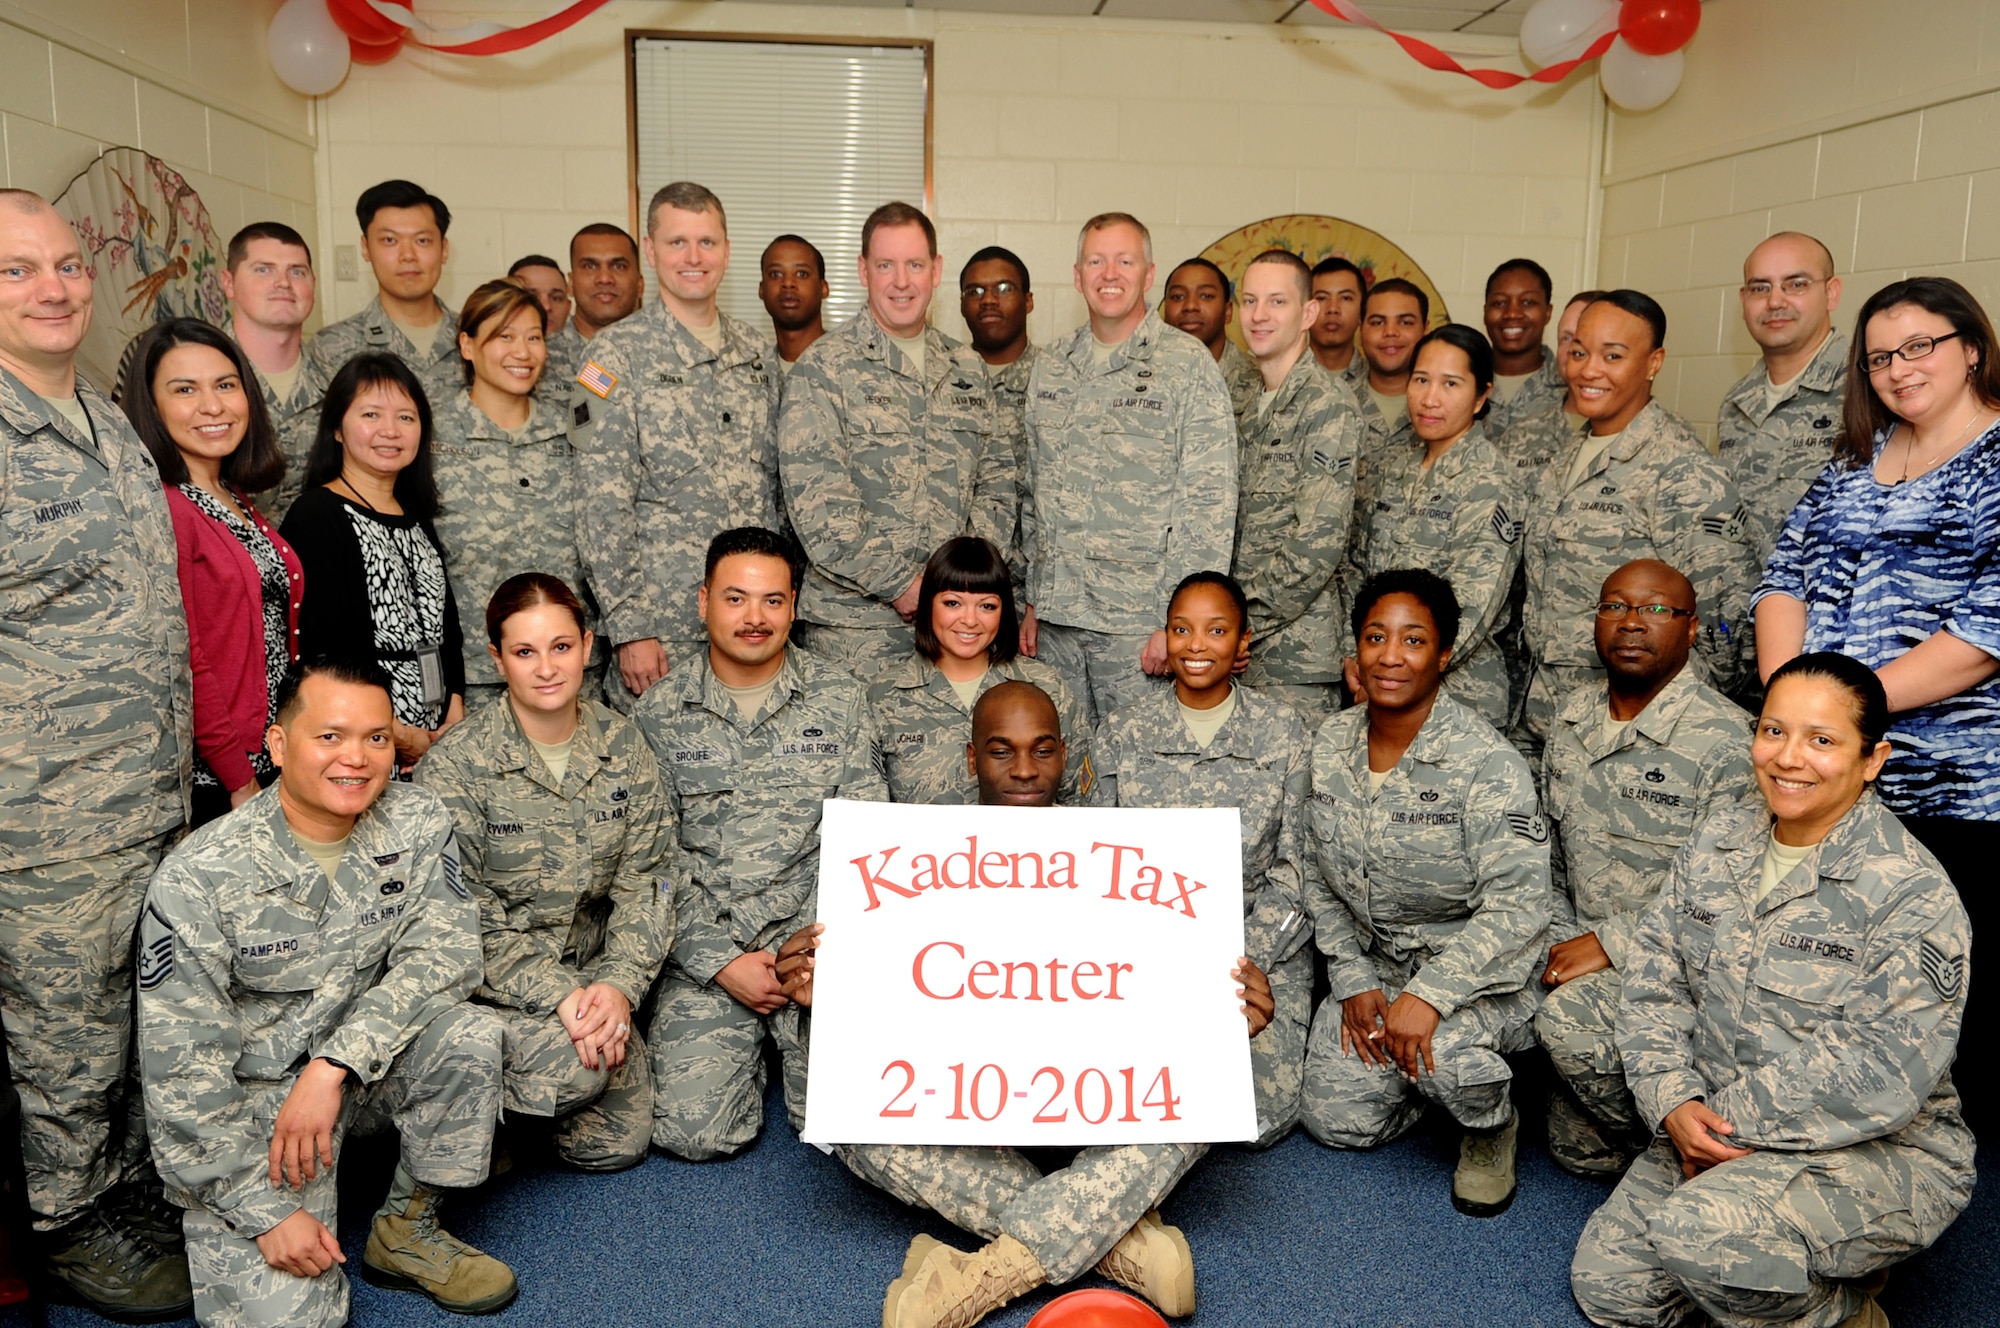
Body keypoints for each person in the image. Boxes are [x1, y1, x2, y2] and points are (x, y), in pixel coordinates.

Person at [782, 679, 1270, 1327]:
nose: (1023, 770)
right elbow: (881, 1006)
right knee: (841, 1104)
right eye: (1000, 751)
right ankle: (1118, 1245)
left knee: (1209, 1083)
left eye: (1042, 750)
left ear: (1064, 755)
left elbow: (1162, 993)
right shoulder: (909, 849)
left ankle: (983, 1277)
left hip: (1092, 1105)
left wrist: (1229, 1016)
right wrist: (825, 993)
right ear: (971, 758)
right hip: (966, 1102)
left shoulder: (1123, 851)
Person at [1570, 653, 1974, 1328]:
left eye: (1822, 740)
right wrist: (1673, 1101)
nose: (1789, 758)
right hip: (1713, 1124)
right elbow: (1655, 980)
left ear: (1872, 759)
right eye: (1773, 731)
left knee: (1702, 1239)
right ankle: (1786, 1263)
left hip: (1871, 1149)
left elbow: (1878, 1071)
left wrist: (1717, 1125)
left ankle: (1846, 1308)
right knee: (1612, 1293)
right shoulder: (1718, 839)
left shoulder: (1911, 893)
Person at [139, 658, 517, 1326]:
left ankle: (406, 1228)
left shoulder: (416, 819)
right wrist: (263, 1213)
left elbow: (448, 956)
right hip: (257, 1111)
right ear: (279, 745)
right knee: (296, 1321)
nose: (357, 758)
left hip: (360, 1072)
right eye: (330, 737)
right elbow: (183, 1077)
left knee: (470, 1035)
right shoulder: (200, 875)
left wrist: (334, 1064)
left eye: (377, 738)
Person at [0, 188, 193, 1318]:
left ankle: (125, 1189)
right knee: (62, 1027)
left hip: (144, 791)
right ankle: (69, 1219)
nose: (54, 288)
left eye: (68, 264)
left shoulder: (106, 420)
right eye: (17, 270)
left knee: (133, 1010)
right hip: (43, 808)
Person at [1754, 275, 2000, 1113]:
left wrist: (1836, 712)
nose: (1900, 369)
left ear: (1973, 348)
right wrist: (1793, 703)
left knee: (1933, 1001)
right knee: (1827, 976)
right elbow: (1783, 576)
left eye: (1920, 346)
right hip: (1829, 773)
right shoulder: (1855, 460)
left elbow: (1985, 632)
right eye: (1880, 357)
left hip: (1952, 782)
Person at [1299, 569, 1550, 1218]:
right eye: (1375, 637)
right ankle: (1422, 1083)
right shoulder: (1329, 745)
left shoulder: (1486, 763)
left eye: (1413, 640)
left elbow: (1520, 907)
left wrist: (1431, 995)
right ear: (1356, 650)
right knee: (1335, 1120)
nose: (1391, 656)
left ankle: (1490, 1123)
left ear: (1443, 656)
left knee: (1448, 1056)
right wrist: (1352, 976)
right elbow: (1314, 872)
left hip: (1480, 974)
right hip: (1381, 966)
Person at [630, 526, 885, 1159]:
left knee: (852, 1121)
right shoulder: (659, 714)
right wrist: (720, 962)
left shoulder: (841, 700)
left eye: (772, 600)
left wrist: (815, 949)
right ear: (703, 602)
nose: (755, 617)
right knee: (695, 1133)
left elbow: (864, 840)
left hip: (812, 944)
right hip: (711, 944)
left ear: (793, 606)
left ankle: (791, 1054)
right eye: (736, 598)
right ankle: (749, 1047)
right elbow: (650, 864)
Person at [416, 574, 670, 1173]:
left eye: (561, 647)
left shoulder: (623, 744)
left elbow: (651, 879)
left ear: (587, 647)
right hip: (491, 992)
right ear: (497, 658)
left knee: (615, 1144)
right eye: (525, 652)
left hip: (592, 976)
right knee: (579, 1072)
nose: (547, 668)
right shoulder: (456, 767)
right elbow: (462, 913)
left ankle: (512, 1110)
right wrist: (560, 996)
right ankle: (473, 1102)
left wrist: (618, 987)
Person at [1535, 559, 1754, 1178]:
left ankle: (1694, 1148)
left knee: (1566, 1026)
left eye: (1656, 609)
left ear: (1692, 628)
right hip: (1572, 944)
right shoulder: (1571, 718)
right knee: (1576, 1153)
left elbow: (1729, 898)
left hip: (1682, 967)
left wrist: (1609, 943)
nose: (1631, 622)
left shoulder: (1727, 742)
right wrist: (1561, 941)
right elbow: (1549, 857)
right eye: (1615, 606)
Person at [1090, 572, 1314, 1148]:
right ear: (1165, 636)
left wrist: (1240, 961)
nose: (1196, 645)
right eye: (1181, 629)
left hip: (1255, 949)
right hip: (1147, 948)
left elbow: (1298, 868)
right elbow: (1095, 860)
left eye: (1216, 631)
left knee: (1257, 1117)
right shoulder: (1121, 732)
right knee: (1121, 1090)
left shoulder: (1285, 732)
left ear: (1242, 642)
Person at [1517, 290, 1755, 764]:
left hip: (1631, 743)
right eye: (1580, 352)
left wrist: (1661, 726)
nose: (1589, 370)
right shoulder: (1562, 462)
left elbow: (1726, 632)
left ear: (1653, 363)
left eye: (1613, 356)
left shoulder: (1683, 472)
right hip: (1548, 728)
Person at [778, 202, 1015, 675]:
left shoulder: (967, 368)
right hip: (854, 631)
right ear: (863, 270)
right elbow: (818, 500)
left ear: (936, 270)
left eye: (915, 265)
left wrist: (961, 586)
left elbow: (998, 483)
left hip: (958, 629)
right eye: (886, 265)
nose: (901, 281)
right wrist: (903, 583)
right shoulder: (823, 368)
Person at [1020, 212, 1237, 724]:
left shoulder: (1186, 365)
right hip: (1056, 627)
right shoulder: (1052, 365)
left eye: (1125, 261)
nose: (1110, 274)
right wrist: (1031, 602)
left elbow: (1208, 505)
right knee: (1062, 763)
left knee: (1141, 765)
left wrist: (1179, 625)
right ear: (1078, 276)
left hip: (1139, 630)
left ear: (1149, 273)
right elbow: (1034, 493)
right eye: (1096, 262)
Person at [570, 182, 780, 709]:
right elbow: (598, 503)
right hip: (663, 635)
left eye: (707, 242)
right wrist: (631, 627)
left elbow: (778, 492)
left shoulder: (758, 355)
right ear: (650, 249)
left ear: (727, 251)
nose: (693, 258)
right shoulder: (607, 358)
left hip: (754, 628)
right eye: (677, 242)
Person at [123, 318, 302, 828]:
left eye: (225, 385)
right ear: (152, 406)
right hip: (221, 776)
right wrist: (238, 778)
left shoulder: (232, 496)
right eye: (185, 390)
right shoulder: (169, 506)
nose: (213, 406)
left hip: (270, 754)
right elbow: (186, 655)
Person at [281, 353, 465, 773]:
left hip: (438, 738)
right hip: (361, 742)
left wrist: (453, 707)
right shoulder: (316, 516)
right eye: (371, 414)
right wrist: (393, 733)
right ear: (337, 428)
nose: (390, 430)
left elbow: (445, 626)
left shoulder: (416, 516)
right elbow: (323, 652)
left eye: (406, 417)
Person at [430, 277, 595, 710]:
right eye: (505, 336)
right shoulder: (431, 438)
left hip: (570, 673)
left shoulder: (574, 434)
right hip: (475, 678)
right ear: (467, 345)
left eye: (534, 337)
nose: (522, 352)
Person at [1349, 324, 1517, 727]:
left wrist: (1390, 670)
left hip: (1457, 699)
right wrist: (1358, 656)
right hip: (1379, 684)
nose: (1429, 398)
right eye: (1421, 379)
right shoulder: (1396, 467)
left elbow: (1474, 604)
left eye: (1450, 384)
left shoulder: (1490, 480)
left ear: (1481, 396)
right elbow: (1357, 569)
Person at [1230, 248, 1360, 724]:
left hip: (1292, 660)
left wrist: (1239, 624)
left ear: (1308, 314)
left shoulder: (1327, 406)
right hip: (1231, 652)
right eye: (1249, 301)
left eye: (1277, 301)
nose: (1259, 315)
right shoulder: (1241, 396)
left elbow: (1317, 545)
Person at [1718, 233, 1848, 702]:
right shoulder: (1737, 402)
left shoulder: (1867, 389)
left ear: (1831, 292)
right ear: (1743, 300)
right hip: (1742, 650)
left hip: (1827, 652)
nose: (1775, 301)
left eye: (1796, 284)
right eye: (1760, 287)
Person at [870, 536, 1090, 804]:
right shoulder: (883, 697)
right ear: (928, 605)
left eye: (987, 606)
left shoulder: (1046, 687)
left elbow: (1080, 800)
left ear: (1003, 611)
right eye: (953, 603)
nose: (970, 620)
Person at [301, 180, 460, 409]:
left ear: (444, 249)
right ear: (366, 248)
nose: (408, 255)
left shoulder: (479, 338)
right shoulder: (332, 347)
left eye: (422, 241)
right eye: (389, 240)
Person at [219, 221, 318, 517]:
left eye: (297, 271)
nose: (283, 282)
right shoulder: (193, 378)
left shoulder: (340, 379)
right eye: (264, 269)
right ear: (228, 283)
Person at [548, 222, 645, 384]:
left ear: (639, 285)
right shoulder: (540, 360)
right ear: (570, 284)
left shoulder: (672, 355)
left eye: (619, 266)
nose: (605, 278)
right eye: (589, 266)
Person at [1162, 256, 1260, 418]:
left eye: (1206, 296)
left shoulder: (1259, 382)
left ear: (1228, 312)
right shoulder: (1140, 378)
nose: (1190, 306)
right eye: (1178, 296)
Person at [1481, 258, 1565, 437]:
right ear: (1485, 311)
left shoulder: (1571, 389)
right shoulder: (1463, 383)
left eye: (1528, 302)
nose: (1512, 313)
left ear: (1547, 312)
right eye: (1499, 303)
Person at [1356, 277, 1427, 440]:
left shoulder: (1443, 405)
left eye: (1405, 322)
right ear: (1361, 330)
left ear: (1425, 329)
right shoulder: (1333, 400)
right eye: (1378, 323)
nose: (1390, 332)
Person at [758, 233, 829, 375]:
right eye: (775, 274)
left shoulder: (854, 366)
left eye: (802, 274)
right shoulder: (747, 371)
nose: (788, 283)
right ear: (761, 290)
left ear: (823, 288)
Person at [506, 253, 576, 386]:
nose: (546, 307)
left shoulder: (590, 354)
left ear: (568, 307)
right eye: (532, 297)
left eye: (556, 298)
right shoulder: (490, 354)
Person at [1308, 256, 1367, 390]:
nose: (1333, 309)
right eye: (1321, 298)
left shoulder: (1377, 381)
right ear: (1306, 310)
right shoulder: (1282, 378)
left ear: (1362, 310)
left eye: (1345, 298)